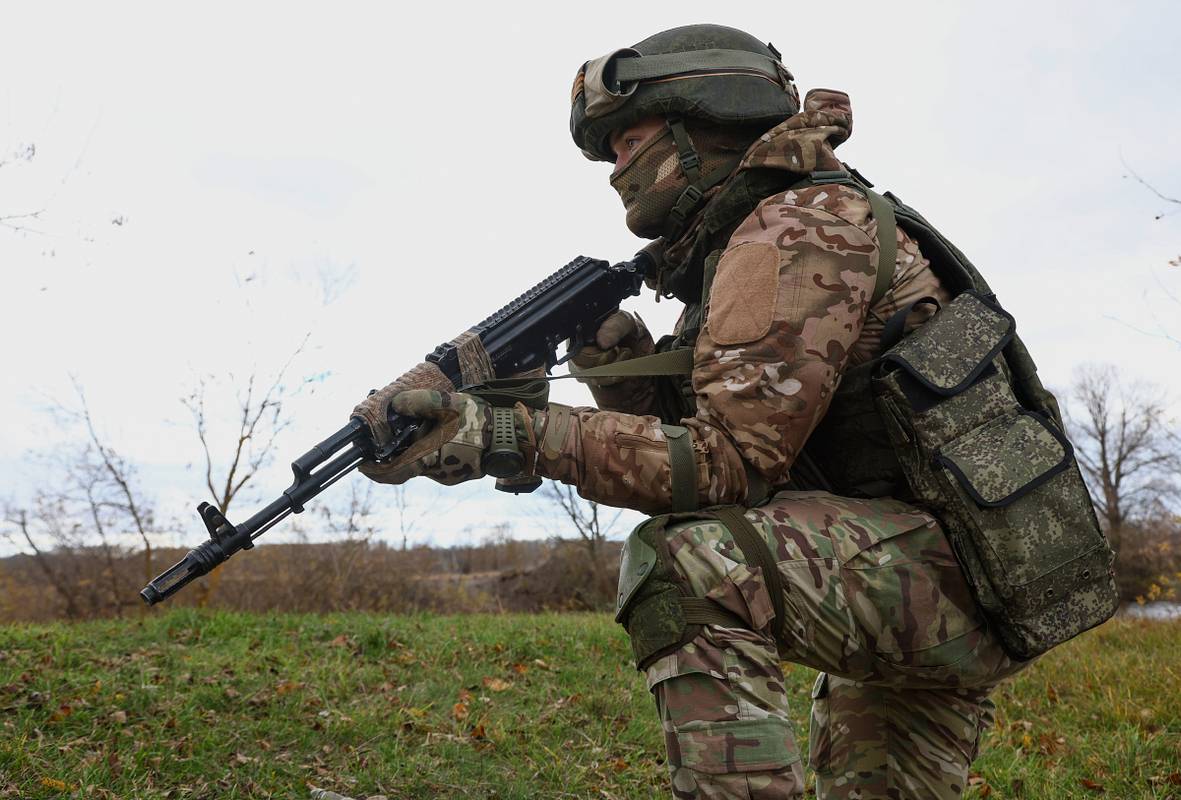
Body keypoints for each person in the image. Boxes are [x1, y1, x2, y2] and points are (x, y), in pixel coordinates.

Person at [352, 24, 1112, 799]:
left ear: (701, 122)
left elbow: (726, 467)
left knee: (692, 565)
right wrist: (618, 374)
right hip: (944, 569)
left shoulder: (797, 228)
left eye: (628, 139)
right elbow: (722, 437)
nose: (614, 169)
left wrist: (505, 434)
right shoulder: (754, 240)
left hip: (935, 570)